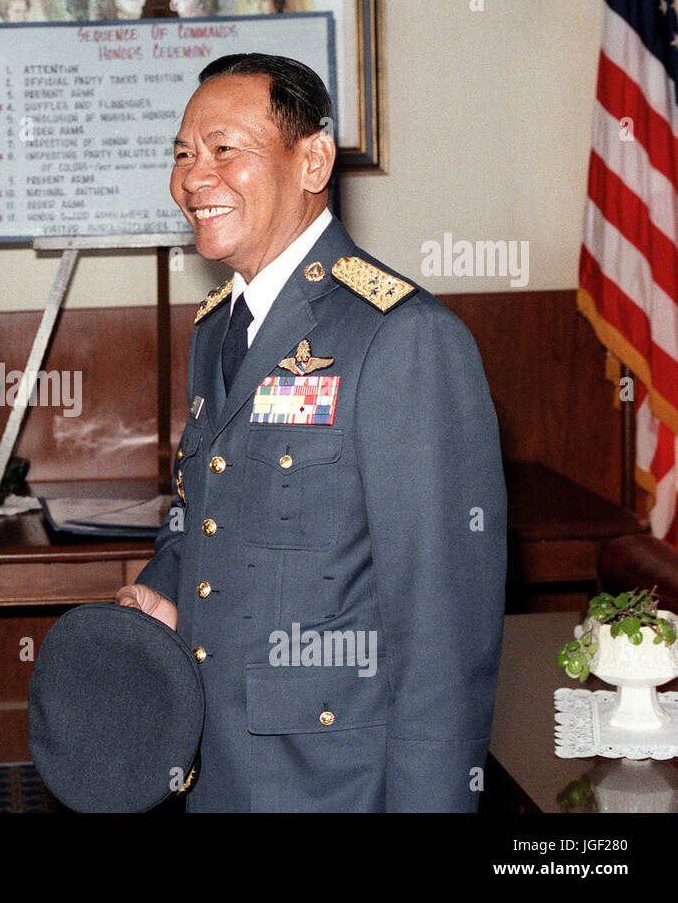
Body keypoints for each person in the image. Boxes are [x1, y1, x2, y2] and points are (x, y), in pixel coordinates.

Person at [118, 53, 506, 812]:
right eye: (183, 154)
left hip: (334, 780)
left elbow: (443, 630)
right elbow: (201, 504)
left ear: (314, 160)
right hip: (215, 761)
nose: (195, 178)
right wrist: (163, 587)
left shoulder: (403, 338)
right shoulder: (217, 329)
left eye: (225, 149)